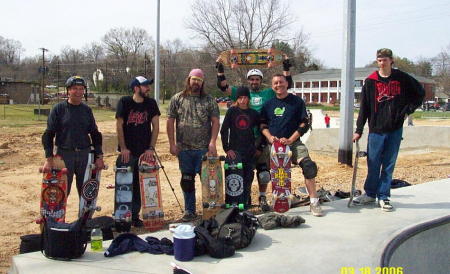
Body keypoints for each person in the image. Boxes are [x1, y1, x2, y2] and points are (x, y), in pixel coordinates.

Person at [216, 56, 293, 211]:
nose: (254, 82)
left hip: (263, 138)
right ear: (248, 80)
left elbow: (285, 85)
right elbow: (224, 87)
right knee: (246, 171)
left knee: (263, 173)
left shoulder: (268, 93)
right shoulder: (241, 93)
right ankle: (245, 198)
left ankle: (262, 196)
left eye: (257, 79)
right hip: (244, 140)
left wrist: (286, 68)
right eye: (251, 79)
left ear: (261, 80)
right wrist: (220, 70)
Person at [352, 48, 424, 211]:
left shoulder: (402, 78)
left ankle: (384, 197)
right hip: (376, 130)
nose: (382, 62)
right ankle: (370, 194)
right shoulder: (370, 81)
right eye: (379, 60)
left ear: (391, 61)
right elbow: (364, 108)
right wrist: (359, 130)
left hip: (395, 129)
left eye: (385, 59)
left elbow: (419, 93)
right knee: (373, 163)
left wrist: (407, 110)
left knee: (389, 165)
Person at [260, 74, 323, 217]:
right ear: (272, 86)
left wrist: (290, 139)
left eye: (281, 82)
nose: (278, 85)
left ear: (287, 84)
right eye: (275, 83)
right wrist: (270, 138)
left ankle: (314, 201)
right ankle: (269, 199)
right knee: (265, 171)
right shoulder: (268, 104)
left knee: (309, 166)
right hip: (274, 145)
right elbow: (262, 125)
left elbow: (304, 123)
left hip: (293, 143)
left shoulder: (297, 102)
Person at [167, 69, 220, 222]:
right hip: (184, 149)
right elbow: (170, 121)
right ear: (188, 79)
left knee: (209, 182)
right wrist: (172, 144)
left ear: (202, 82)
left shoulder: (209, 100)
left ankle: (211, 211)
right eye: (194, 79)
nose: (196, 82)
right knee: (187, 181)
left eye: (199, 80)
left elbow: (215, 121)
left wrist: (212, 143)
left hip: (204, 149)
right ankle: (189, 211)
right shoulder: (177, 98)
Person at [42, 76, 105, 198]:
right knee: (61, 191)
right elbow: (48, 135)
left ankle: (85, 217)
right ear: (68, 90)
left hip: (84, 155)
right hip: (64, 155)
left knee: (86, 192)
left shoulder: (87, 110)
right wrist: (49, 159)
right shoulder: (58, 109)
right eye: (75, 88)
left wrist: (99, 157)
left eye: (81, 89)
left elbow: (95, 134)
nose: (78, 92)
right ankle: (59, 217)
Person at [116, 76, 160, 227]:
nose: (148, 88)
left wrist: (151, 148)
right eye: (145, 85)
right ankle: (123, 216)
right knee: (125, 184)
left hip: (144, 153)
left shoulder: (151, 103)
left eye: (148, 85)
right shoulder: (125, 102)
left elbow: (156, 127)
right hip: (128, 151)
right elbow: (119, 125)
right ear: (136, 87)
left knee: (142, 186)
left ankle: (135, 216)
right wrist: (123, 148)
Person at [220, 86, 260, 207]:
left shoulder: (253, 113)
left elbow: (262, 129)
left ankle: (245, 202)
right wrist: (227, 149)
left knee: (248, 177)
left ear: (249, 99)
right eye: (240, 98)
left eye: (245, 98)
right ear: (237, 99)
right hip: (235, 151)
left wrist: (259, 147)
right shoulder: (232, 111)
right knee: (235, 178)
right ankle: (233, 203)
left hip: (249, 150)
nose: (243, 100)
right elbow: (224, 130)